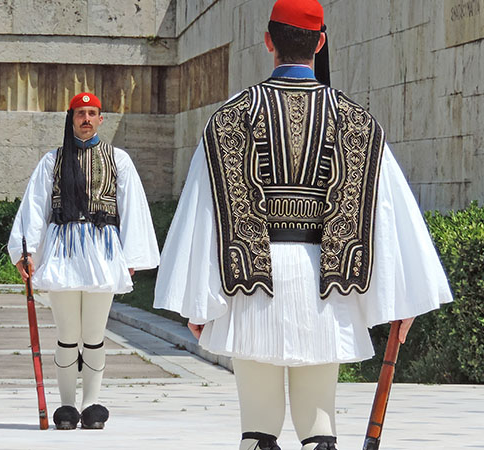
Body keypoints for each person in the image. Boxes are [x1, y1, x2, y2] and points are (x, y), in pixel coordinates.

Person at [153, 1, 452, 449]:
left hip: (251, 285)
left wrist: (197, 300)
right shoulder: (357, 122)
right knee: (319, 428)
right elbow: (389, 213)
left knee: (257, 430)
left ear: (269, 40)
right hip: (326, 288)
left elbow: (203, 212)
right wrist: (403, 297)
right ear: (321, 42)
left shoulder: (231, 117)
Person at [8, 92, 160, 430]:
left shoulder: (118, 159)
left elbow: (131, 205)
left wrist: (131, 255)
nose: (86, 119)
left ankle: (91, 404)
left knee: (93, 334)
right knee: (67, 334)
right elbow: (36, 207)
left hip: (102, 252)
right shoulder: (53, 160)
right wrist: (26, 252)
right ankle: (66, 406)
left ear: (101, 119)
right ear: (71, 117)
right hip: (63, 252)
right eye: (80, 113)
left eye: (92, 113)